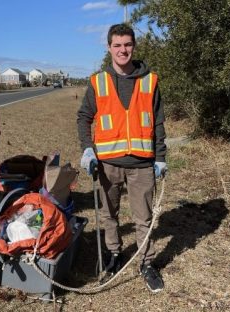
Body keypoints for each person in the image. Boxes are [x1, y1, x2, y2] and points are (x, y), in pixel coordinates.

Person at [77, 23, 167, 293]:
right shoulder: (98, 81)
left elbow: (159, 123)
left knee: (144, 218)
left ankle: (147, 263)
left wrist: (160, 157)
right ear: (109, 48)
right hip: (107, 164)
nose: (122, 50)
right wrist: (87, 148)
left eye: (127, 44)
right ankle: (115, 255)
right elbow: (84, 117)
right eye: (117, 45)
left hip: (141, 165)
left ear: (134, 46)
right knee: (109, 216)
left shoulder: (150, 81)